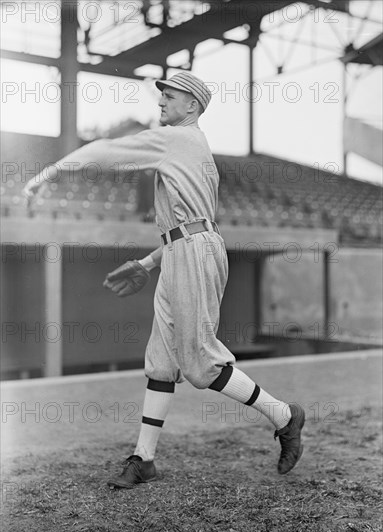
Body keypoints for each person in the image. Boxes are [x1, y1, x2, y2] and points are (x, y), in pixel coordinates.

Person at [23, 71, 305, 490]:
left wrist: (53, 171)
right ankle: (144, 458)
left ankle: (283, 415)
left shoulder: (179, 138)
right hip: (180, 250)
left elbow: (108, 150)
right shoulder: (194, 146)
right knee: (161, 360)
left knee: (201, 365)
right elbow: (192, 223)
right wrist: (152, 261)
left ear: (192, 105)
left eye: (170, 96)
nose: (161, 102)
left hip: (193, 252)